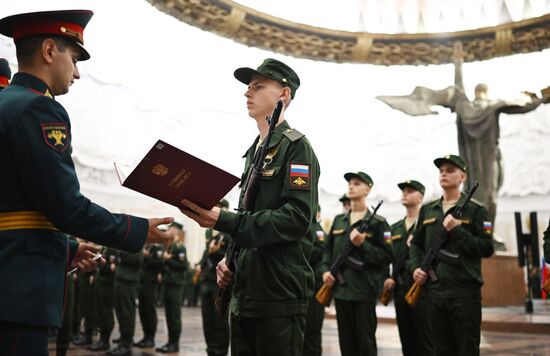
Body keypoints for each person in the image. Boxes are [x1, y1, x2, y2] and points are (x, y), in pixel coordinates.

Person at [0, 10, 173, 355]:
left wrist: (67, 249)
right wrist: (136, 230)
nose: (77, 72)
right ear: (50, 51)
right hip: (18, 288)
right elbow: (66, 207)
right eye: (75, 58)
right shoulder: (40, 110)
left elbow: (17, 202)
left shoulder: (6, 103)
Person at [180, 58, 320, 356]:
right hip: (246, 291)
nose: (247, 93)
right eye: (248, 88)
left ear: (283, 95)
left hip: (278, 294)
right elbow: (251, 216)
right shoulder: (254, 151)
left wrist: (224, 220)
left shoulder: (296, 147)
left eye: (258, 87)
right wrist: (232, 261)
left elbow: (295, 219)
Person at [377, 41, 550, 225]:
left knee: (479, 193)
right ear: (486, 92)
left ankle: (482, 230)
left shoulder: (466, 106)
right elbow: (521, 107)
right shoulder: (492, 105)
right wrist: (541, 99)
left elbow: (458, 86)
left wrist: (458, 61)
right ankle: (484, 230)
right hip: (486, 157)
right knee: (489, 194)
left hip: (479, 157)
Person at [410, 155, 494, 356]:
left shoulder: (476, 210)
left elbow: (486, 248)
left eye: (450, 170)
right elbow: (415, 244)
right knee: (441, 350)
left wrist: (458, 231)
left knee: (467, 349)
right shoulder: (428, 210)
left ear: (463, 176)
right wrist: (417, 268)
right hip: (434, 291)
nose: (444, 174)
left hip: (464, 292)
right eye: (441, 171)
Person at [320, 172, 392, 356]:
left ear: (367, 189)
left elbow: (386, 257)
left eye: (357, 183)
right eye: (350, 183)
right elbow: (326, 251)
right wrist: (325, 271)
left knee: (365, 345)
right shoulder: (339, 221)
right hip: (341, 292)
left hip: (364, 292)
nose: (351, 186)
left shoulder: (378, 223)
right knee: (347, 344)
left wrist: (364, 244)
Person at [382, 180, 433, 356]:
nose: (405, 193)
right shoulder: (394, 228)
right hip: (400, 289)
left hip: (422, 289)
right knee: (407, 341)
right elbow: (387, 257)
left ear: (420, 196)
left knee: (425, 342)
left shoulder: (427, 226)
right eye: (403, 191)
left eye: (410, 191)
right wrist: (387, 278)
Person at [197, 200, 231, 356]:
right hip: (207, 280)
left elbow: (230, 256)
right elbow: (207, 253)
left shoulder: (229, 231)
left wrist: (215, 251)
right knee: (207, 318)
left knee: (219, 319)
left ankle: (220, 350)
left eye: (218, 207)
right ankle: (210, 349)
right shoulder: (209, 231)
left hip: (220, 281)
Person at [157, 222, 189, 353]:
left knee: (174, 314)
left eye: (170, 228)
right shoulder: (170, 246)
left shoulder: (180, 247)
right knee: (169, 314)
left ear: (175, 230)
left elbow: (183, 266)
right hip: (168, 283)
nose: (168, 230)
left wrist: (168, 260)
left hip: (176, 284)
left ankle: (174, 343)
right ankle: (170, 341)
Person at [303, 206, 327, 356]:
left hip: (315, 286)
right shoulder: (309, 228)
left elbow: (320, 253)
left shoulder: (317, 230)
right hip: (308, 285)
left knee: (312, 330)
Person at [87, 247, 118, 352]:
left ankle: (105, 341)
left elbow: (110, 269)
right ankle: (101, 339)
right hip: (101, 284)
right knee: (100, 312)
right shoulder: (105, 248)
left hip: (107, 287)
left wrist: (101, 265)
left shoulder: (112, 250)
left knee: (106, 313)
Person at [135, 242, 165, 348]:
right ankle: (145, 336)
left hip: (151, 284)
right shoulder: (146, 247)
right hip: (142, 283)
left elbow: (159, 263)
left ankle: (150, 338)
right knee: (142, 310)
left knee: (149, 310)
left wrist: (146, 257)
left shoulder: (158, 248)